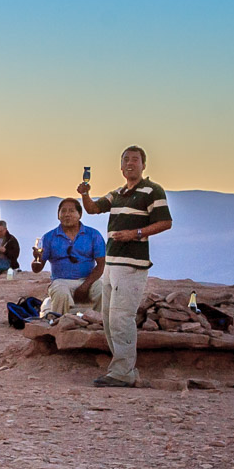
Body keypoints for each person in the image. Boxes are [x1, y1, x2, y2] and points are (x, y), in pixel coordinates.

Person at [80, 146, 173, 387]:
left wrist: (136, 233)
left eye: (135, 160)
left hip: (132, 265)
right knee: (110, 319)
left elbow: (165, 222)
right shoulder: (117, 193)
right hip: (112, 263)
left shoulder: (152, 191)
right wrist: (85, 195)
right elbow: (92, 209)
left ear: (144, 164)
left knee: (122, 318)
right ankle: (120, 369)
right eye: (126, 160)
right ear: (120, 167)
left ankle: (123, 372)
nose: (130, 164)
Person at [30, 197, 105, 322]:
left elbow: (101, 264)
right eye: (63, 211)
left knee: (102, 289)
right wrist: (37, 258)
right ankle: (59, 325)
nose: (67, 215)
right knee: (60, 292)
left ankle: (99, 324)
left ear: (79, 214)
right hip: (61, 280)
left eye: (71, 211)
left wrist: (85, 285)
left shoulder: (93, 235)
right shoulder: (49, 237)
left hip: (88, 279)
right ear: (58, 215)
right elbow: (37, 269)